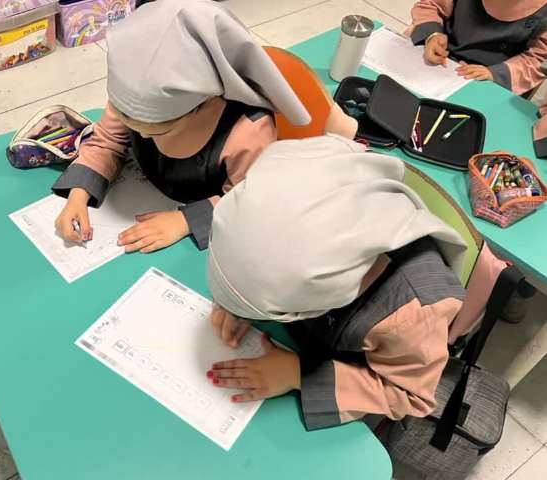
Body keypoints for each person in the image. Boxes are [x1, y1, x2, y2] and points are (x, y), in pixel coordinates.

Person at [205, 136, 469, 430]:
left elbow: (408, 395)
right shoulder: (303, 182)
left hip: (353, 370)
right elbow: (258, 243)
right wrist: (236, 297)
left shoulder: (415, 312)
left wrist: (296, 374)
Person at [51, 0, 357, 252]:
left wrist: (185, 221)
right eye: (128, 118)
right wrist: (79, 193)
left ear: (203, 104)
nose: (139, 135)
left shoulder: (248, 133)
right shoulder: (135, 98)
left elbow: (248, 198)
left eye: (157, 131)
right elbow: (107, 140)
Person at [409, 0, 547, 92]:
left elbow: (538, 59)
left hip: (486, 80)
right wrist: (432, 34)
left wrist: (496, 74)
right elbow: (431, 5)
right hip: (437, 59)